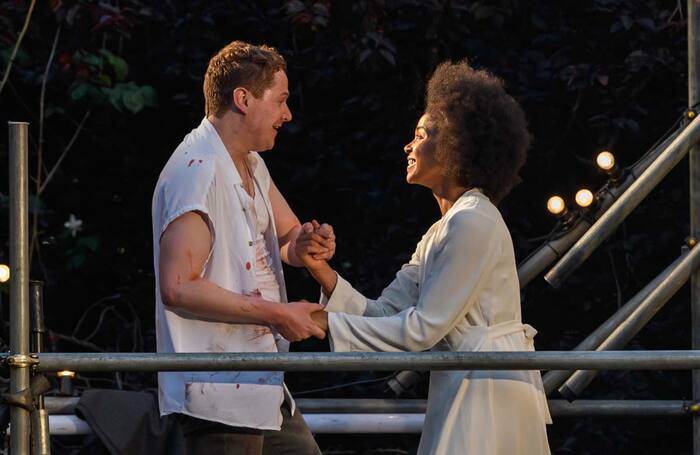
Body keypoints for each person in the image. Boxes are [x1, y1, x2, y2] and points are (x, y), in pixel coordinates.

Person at [295, 60, 552, 455]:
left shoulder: (473, 221)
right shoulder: (445, 228)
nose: (408, 145)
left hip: (486, 392)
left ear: (455, 145)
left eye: (420, 135)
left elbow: (420, 331)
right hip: (465, 384)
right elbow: (386, 314)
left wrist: (325, 322)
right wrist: (323, 274)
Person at [152, 40, 332, 454]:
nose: (287, 115)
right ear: (244, 99)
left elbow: (288, 236)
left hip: (261, 383)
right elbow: (177, 287)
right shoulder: (196, 170)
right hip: (218, 394)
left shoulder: (250, 161)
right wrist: (278, 314)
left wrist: (305, 242)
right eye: (282, 101)